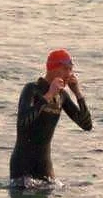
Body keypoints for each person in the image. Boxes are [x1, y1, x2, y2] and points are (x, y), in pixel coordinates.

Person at [8, 49, 93, 185]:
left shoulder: (62, 96)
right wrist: (48, 96)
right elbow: (23, 122)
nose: (69, 74)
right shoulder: (31, 89)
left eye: (71, 70)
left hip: (45, 169)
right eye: (65, 69)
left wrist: (77, 93)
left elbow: (86, 125)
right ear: (53, 69)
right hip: (22, 169)